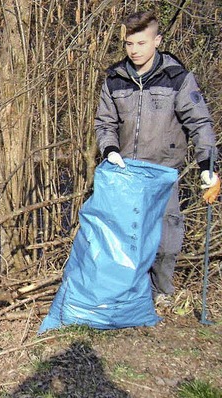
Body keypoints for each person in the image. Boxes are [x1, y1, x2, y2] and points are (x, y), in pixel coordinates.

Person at [95, 10, 220, 307]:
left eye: (141, 43)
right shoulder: (115, 78)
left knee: (165, 242)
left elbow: (199, 123)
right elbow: (104, 123)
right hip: (125, 173)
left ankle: (161, 293)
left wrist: (207, 166)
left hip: (164, 173)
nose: (134, 50)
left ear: (157, 41)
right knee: (124, 239)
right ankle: (126, 297)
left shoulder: (178, 78)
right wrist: (109, 150)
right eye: (129, 43)